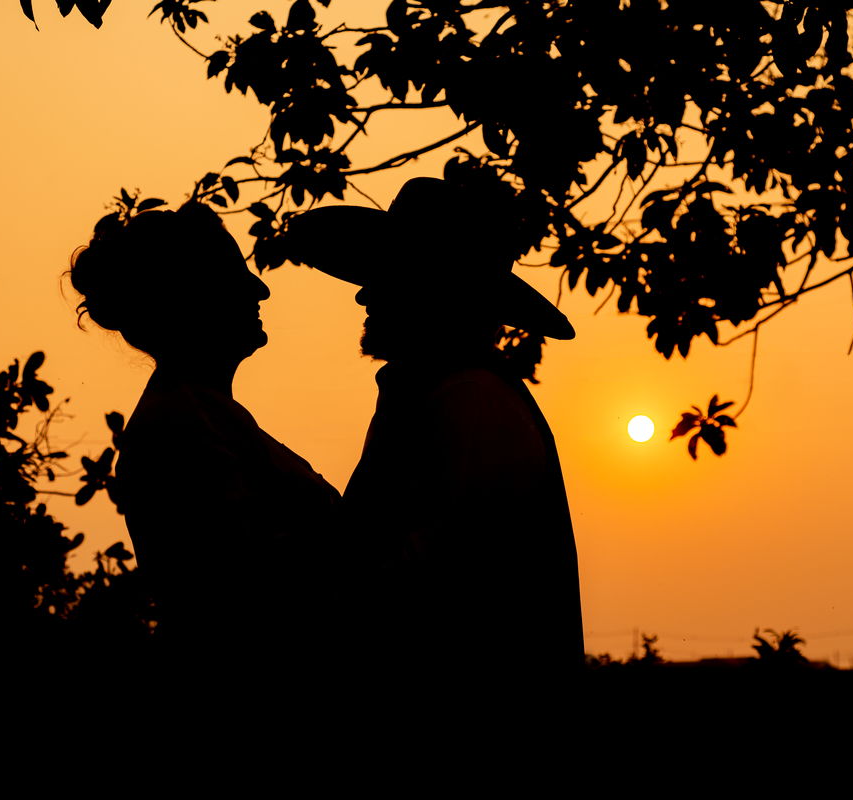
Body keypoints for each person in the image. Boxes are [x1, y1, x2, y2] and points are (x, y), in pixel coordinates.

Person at [289, 177, 584, 676]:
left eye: (390, 275)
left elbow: (432, 585)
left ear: (438, 292)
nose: (364, 295)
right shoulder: (436, 394)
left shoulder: (470, 399)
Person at [68, 202, 342, 660]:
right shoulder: (183, 423)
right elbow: (247, 593)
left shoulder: (202, 414)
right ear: (189, 297)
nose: (260, 289)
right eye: (235, 274)